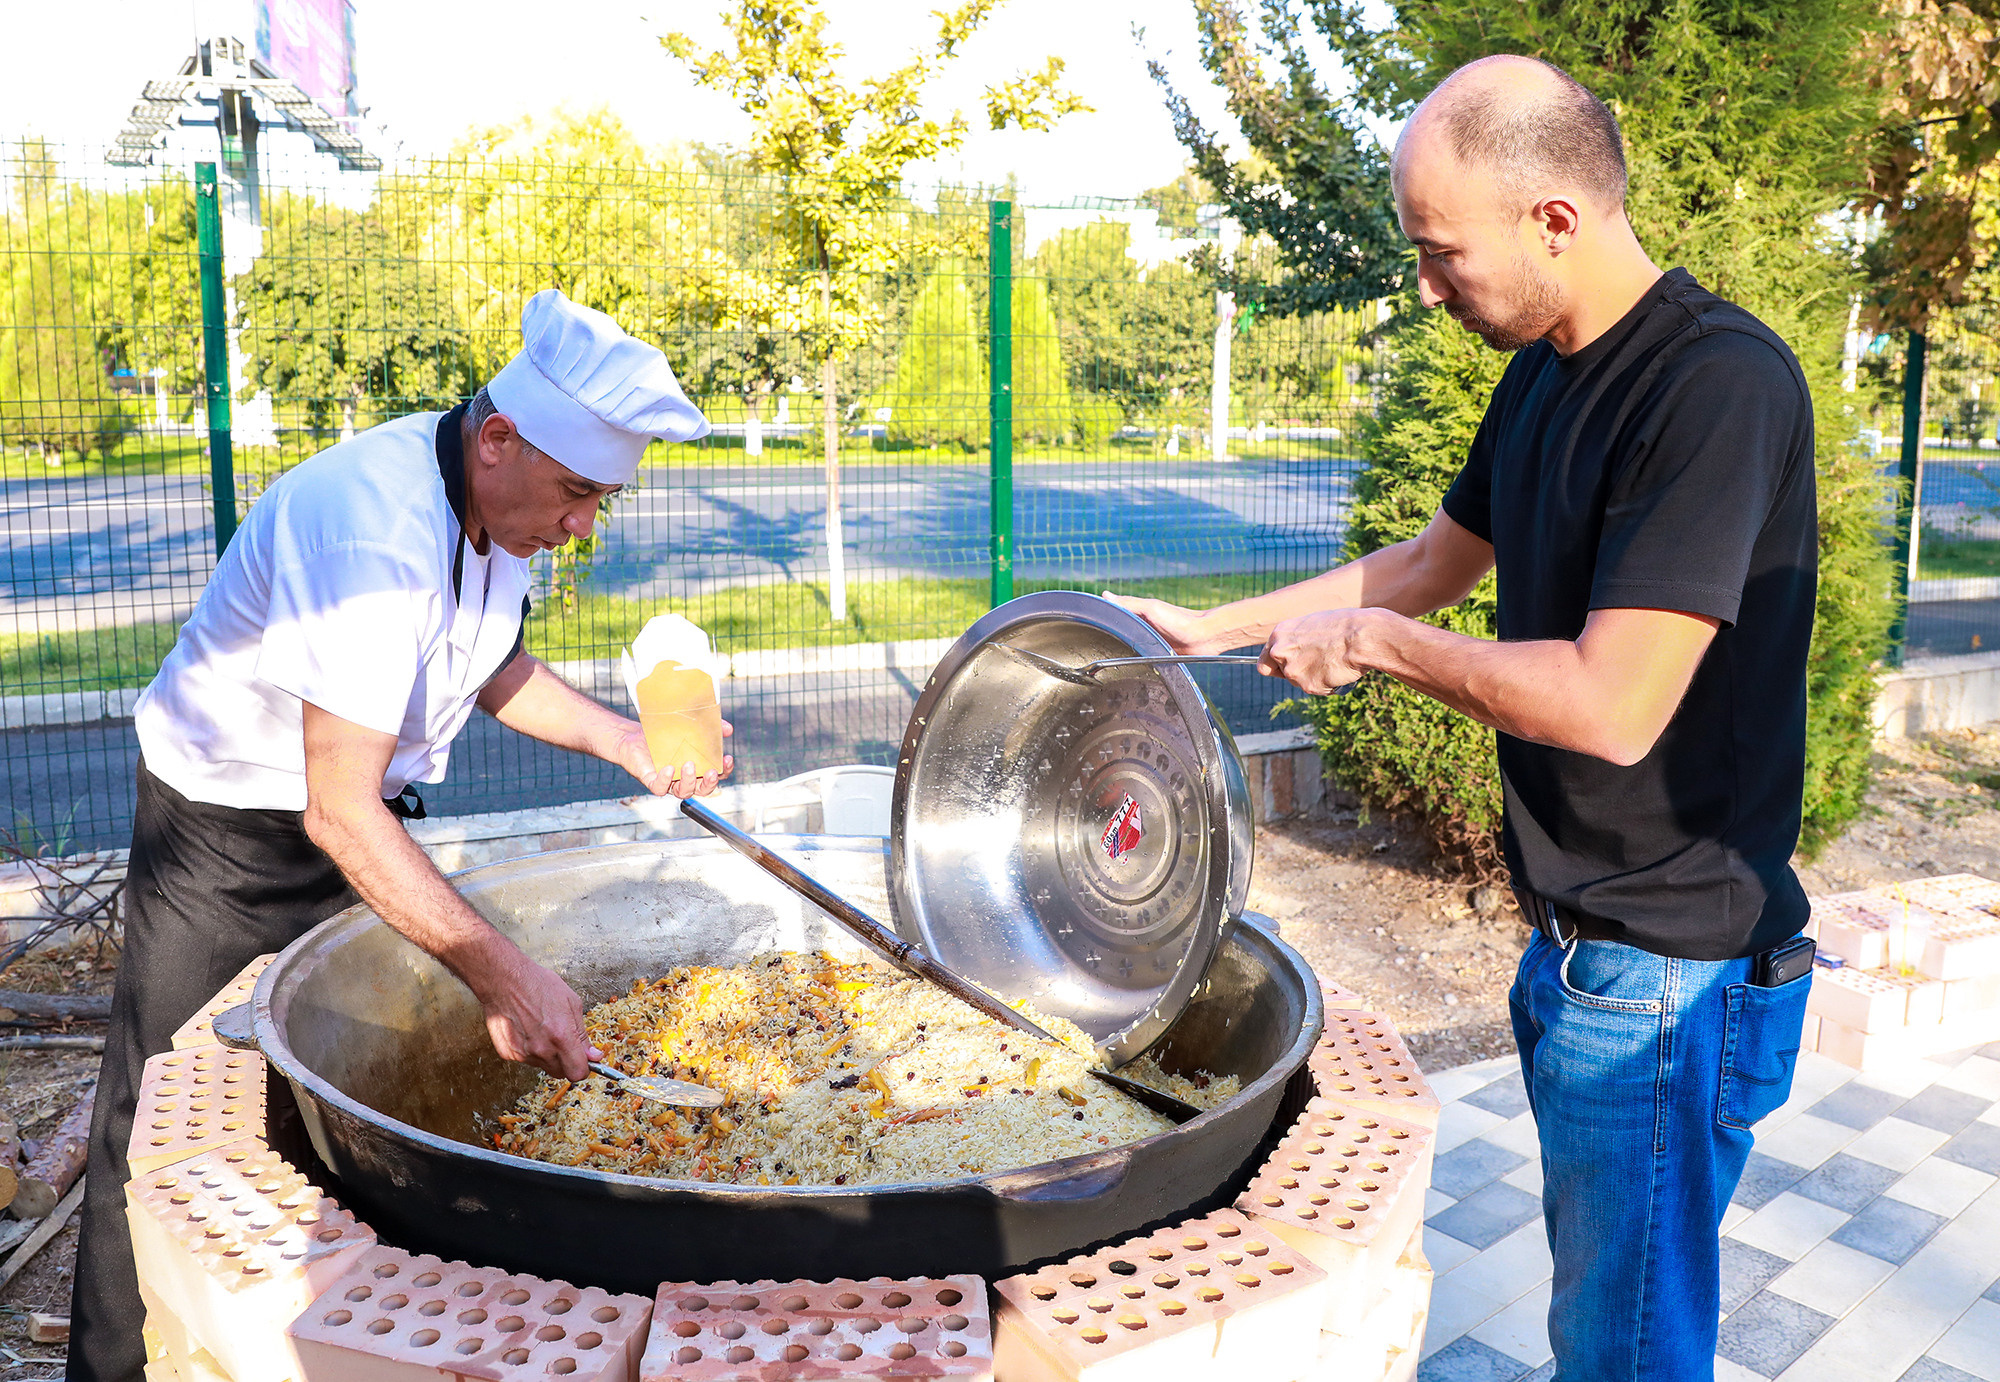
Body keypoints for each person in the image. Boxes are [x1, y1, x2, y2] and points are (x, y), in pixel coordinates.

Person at [1117, 55, 1817, 1382]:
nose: (1428, 289)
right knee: (1603, 1317)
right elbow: (1436, 561)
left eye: (1443, 254)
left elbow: (1614, 707)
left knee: (1625, 1345)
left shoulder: (1716, 385)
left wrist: (1376, 647)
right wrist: (1205, 631)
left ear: (1554, 217)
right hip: (1579, 939)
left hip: (1670, 967)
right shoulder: (1547, 369)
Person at [69, 290, 731, 1382]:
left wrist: (620, 738)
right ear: (501, 438)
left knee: (320, 1106)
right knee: (163, 1123)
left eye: (599, 501)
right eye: (574, 493)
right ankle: (112, 1367)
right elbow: (339, 806)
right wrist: (508, 976)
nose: (579, 527)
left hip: (352, 825)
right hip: (227, 837)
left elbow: (491, 663)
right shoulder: (370, 530)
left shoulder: (488, 505)